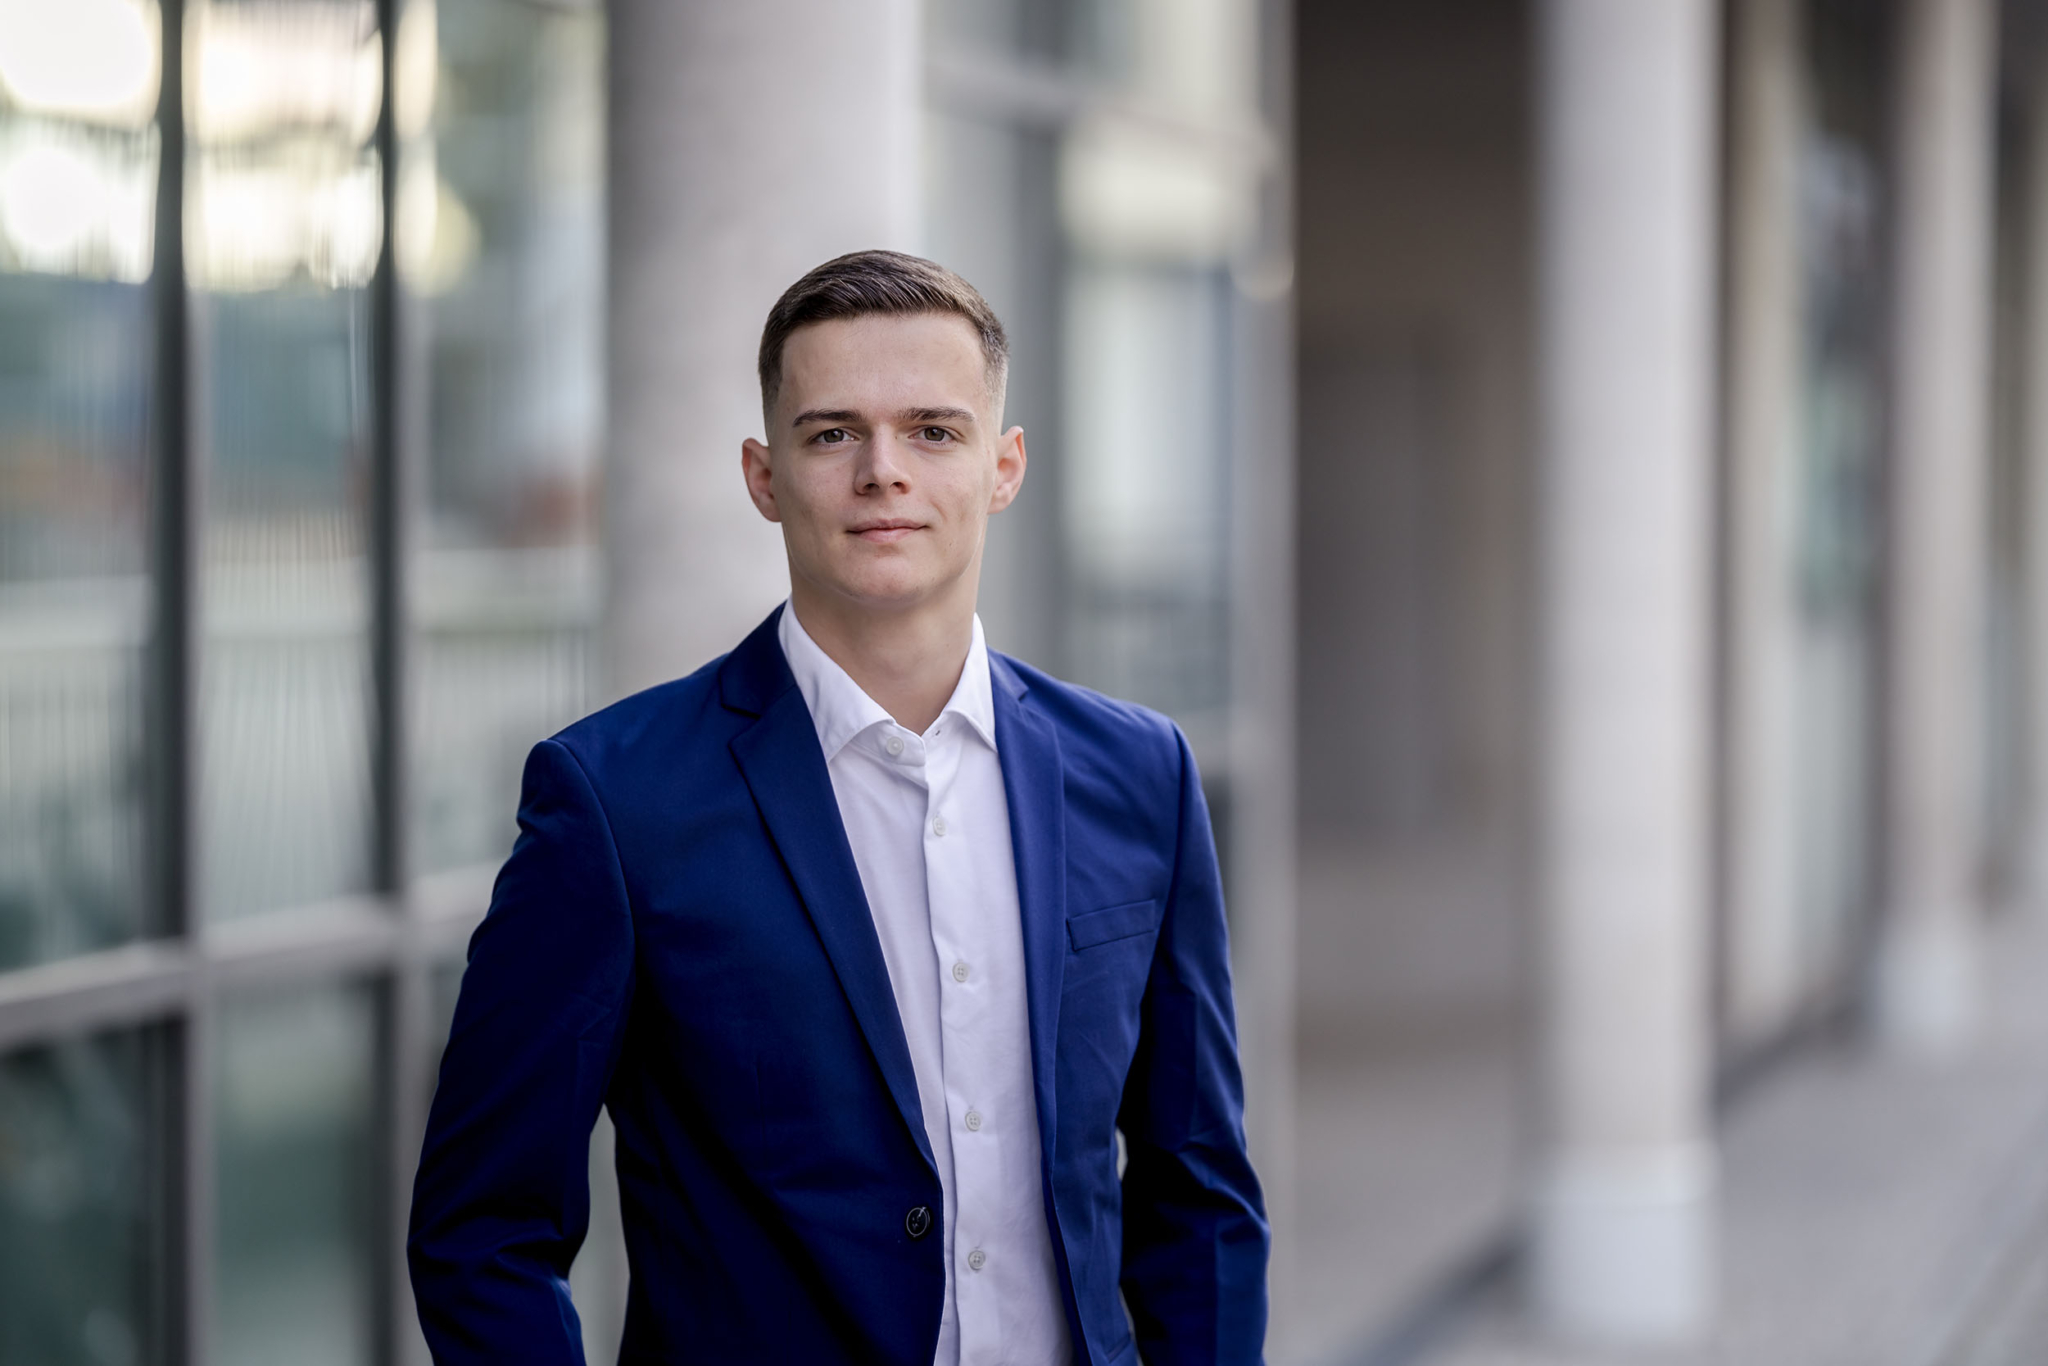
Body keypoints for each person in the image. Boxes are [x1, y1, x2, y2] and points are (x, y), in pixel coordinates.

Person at [406, 250, 1267, 1365]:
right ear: (764, 476)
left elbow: (1196, 1193)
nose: (882, 472)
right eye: (831, 434)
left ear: (1003, 466)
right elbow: (482, 1229)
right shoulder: (615, 803)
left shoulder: (1139, 775)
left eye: (933, 431)